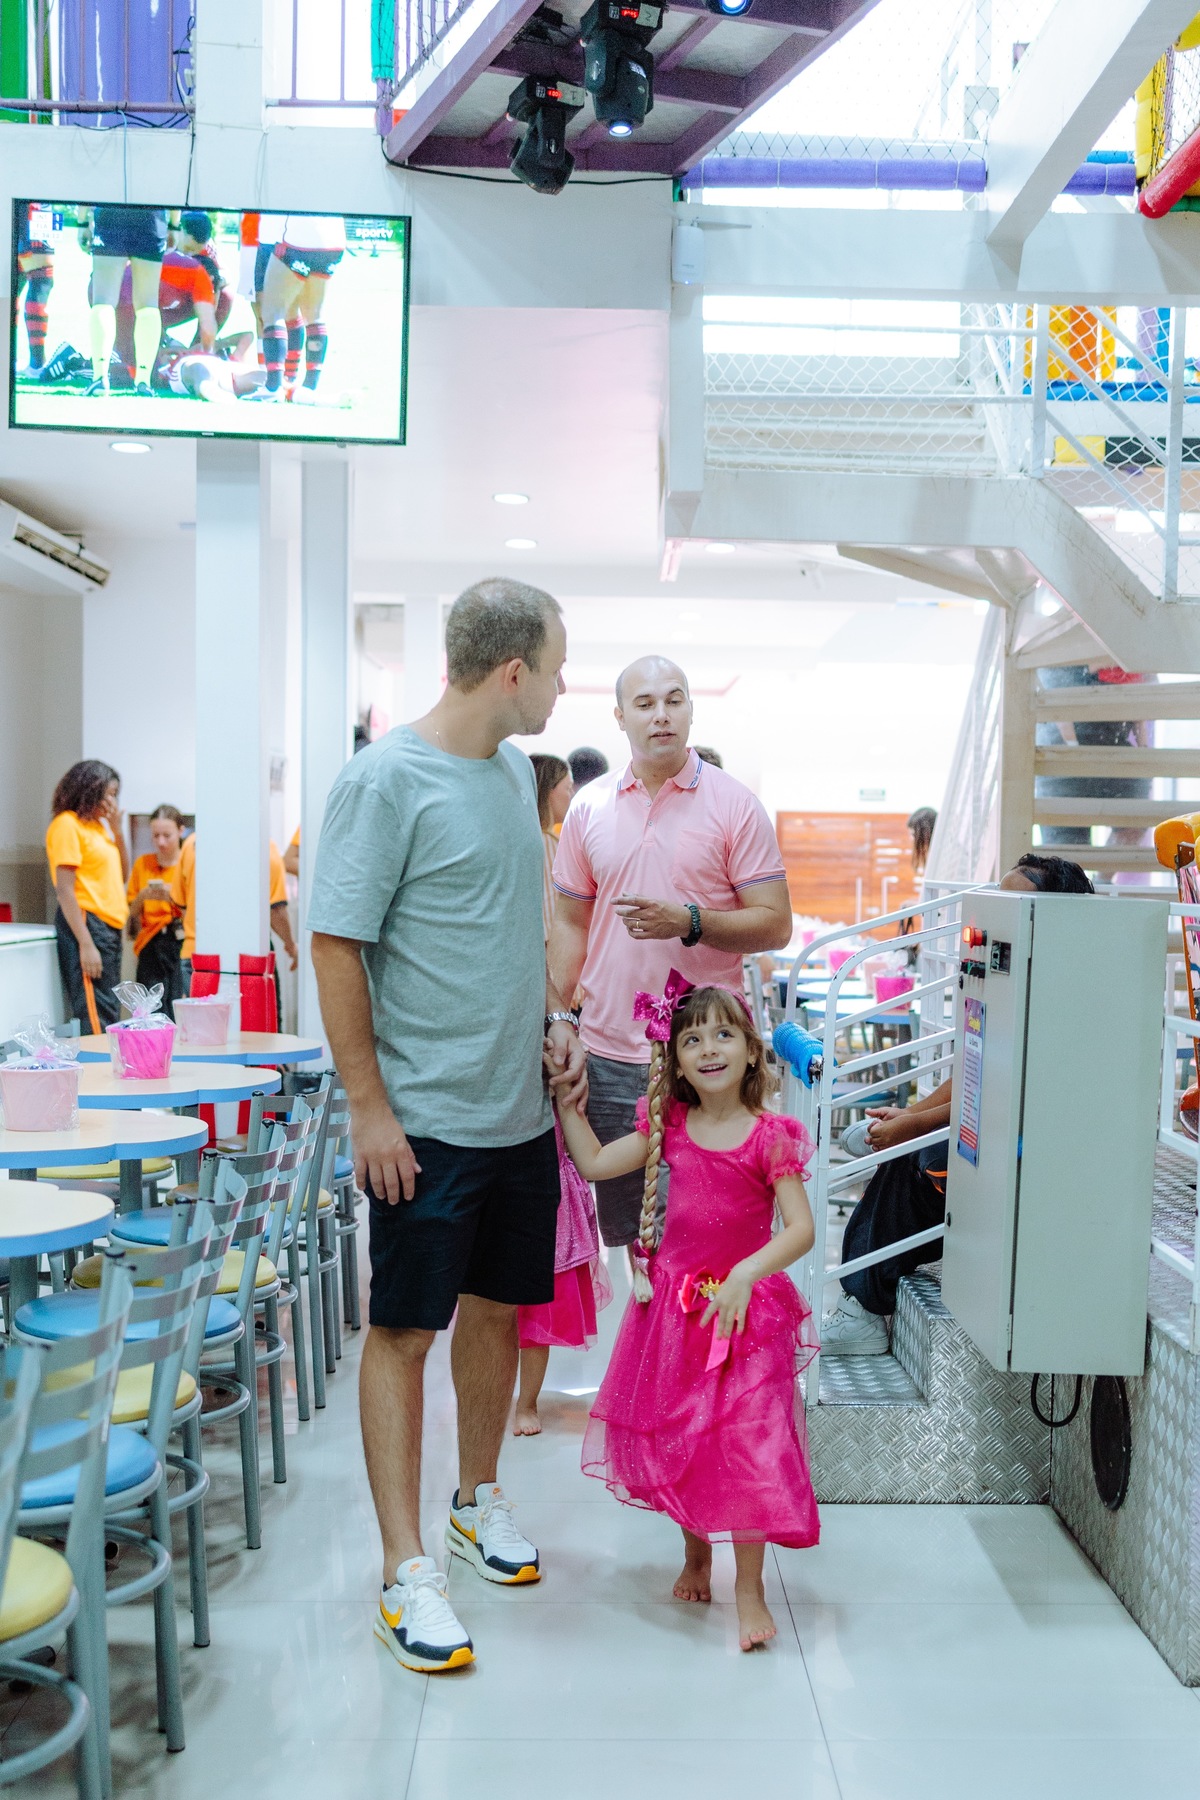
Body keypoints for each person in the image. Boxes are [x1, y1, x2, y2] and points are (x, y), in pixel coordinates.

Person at [308, 576, 585, 1677]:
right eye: (559, 667)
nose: (565, 687)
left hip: (516, 1110)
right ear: (512, 670)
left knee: (497, 1312)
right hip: (421, 1121)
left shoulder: (513, 772)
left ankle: (477, 1501)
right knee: (405, 1331)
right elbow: (335, 946)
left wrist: (553, 1019)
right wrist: (370, 1107)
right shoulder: (385, 782)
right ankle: (403, 1564)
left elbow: (506, 924)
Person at [558, 980, 819, 1651]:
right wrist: (565, 1097)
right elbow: (590, 1162)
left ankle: (751, 1587)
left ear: (752, 1052)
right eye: (692, 1038)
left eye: (723, 1034)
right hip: (675, 1317)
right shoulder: (666, 1128)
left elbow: (799, 1230)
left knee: (753, 1443)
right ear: (674, 1060)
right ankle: (697, 1552)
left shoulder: (771, 1137)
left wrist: (743, 1276)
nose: (708, 1048)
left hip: (743, 1316)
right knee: (686, 1439)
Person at [549, 655, 792, 1256]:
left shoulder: (735, 804)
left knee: (713, 1236)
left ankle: (707, 1350)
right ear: (620, 716)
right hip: (607, 1053)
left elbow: (775, 924)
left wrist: (689, 921)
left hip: (708, 1054)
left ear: (689, 709)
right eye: (645, 703)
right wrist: (559, 1020)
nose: (662, 715)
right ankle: (653, 1347)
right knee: (635, 1245)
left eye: (674, 699)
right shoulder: (589, 808)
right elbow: (568, 925)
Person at [821, 853, 1095, 1354]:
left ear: (1053, 922)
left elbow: (1001, 1094)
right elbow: (972, 1065)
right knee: (914, 1151)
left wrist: (915, 1127)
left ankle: (862, 1306)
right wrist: (910, 1116)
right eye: (995, 898)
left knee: (918, 1160)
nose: (994, 915)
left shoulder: (1064, 1000)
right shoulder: (1005, 981)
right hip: (993, 1146)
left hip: (1033, 1172)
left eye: (1012, 903)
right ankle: (859, 1301)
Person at [513, 750, 610, 1436]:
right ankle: (515, 1398)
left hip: (551, 1049)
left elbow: (568, 959)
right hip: (525, 1055)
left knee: (548, 1235)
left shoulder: (560, 860)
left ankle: (523, 1399)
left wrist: (563, 1024)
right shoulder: (536, 859)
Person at [45, 760, 129, 1032]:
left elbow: (122, 875)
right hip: (87, 924)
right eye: (110, 793)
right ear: (90, 790)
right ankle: (98, 1071)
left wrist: (117, 831)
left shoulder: (100, 829)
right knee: (95, 1014)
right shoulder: (67, 824)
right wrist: (86, 943)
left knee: (108, 1008)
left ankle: (107, 1070)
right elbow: (64, 889)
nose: (112, 802)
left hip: (109, 927)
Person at [249, 215, 346, 404]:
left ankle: (273, 387)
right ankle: (309, 387)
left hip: (301, 236)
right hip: (334, 238)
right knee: (314, 314)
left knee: (272, 312)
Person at [86, 205, 167, 396]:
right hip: (152, 216)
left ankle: (99, 378)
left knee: (104, 300)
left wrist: (82, 220)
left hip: (111, 213)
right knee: (148, 304)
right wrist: (175, 225)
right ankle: (143, 382)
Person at [126, 805, 188, 1015]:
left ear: (180, 831)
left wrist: (174, 898)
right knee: (149, 1007)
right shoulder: (143, 864)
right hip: (150, 942)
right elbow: (131, 912)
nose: (161, 842)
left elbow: (196, 912)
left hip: (180, 940)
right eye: (155, 836)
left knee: (178, 1004)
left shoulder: (187, 865)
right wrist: (143, 896)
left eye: (167, 835)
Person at [529, 754, 573, 936]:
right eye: (568, 788)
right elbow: (549, 921)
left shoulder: (526, 839)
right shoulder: (546, 844)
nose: (573, 796)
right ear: (548, 791)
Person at [15, 202, 54, 373]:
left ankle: (9, 359)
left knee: (12, 284)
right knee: (41, 279)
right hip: (36, 208)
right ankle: (37, 364)